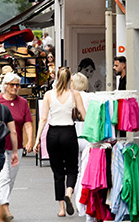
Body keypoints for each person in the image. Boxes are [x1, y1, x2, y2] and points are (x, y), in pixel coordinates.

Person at [33, 67, 86, 217]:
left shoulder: (49, 95)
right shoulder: (74, 95)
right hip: (68, 132)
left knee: (57, 172)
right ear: (70, 79)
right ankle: (69, 193)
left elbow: (43, 119)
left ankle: (61, 209)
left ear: (56, 78)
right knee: (72, 168)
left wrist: (37, 140)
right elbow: (84, 115)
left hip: (53, 134)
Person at [0, 72, 34, 221]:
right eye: (13, 84)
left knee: (10, 179)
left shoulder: (23, 102)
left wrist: (29, 140)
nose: (16, 87)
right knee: (4, 176)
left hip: (16, 146)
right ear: (5, 85)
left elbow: (28, 123)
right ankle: (5, 207)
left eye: (17, 85)